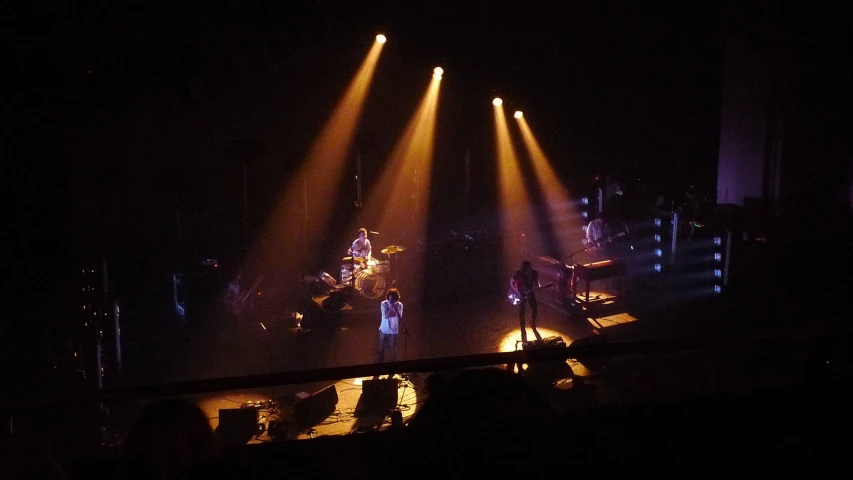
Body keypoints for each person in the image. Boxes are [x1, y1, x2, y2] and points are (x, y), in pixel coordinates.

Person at [511, 260, 542, 343]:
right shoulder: (518, 273)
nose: (528, 270)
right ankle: (522, 328)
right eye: (526, 269)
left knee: (535, 309)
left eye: (529, 268)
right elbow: (511, 282)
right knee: (522, 312)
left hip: (530, 293)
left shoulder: (534, 272)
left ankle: (533, 322)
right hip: (521, 294)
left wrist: (538, 286)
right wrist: (517, 291)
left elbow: (536, 282)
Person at [378, 288, 403, 362]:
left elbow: (399, 317)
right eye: (389, 298)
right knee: (381, 349)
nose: (390, 300)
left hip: (393, 330)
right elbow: (386, 316)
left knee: (393, 348)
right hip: (383, 329)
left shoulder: (399, 305)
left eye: (392, 299)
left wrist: (394, 308)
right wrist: (391, 308)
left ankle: (393, 365)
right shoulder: (384, 304)